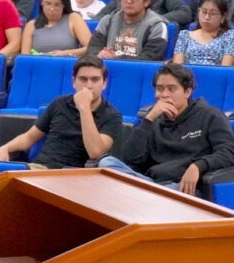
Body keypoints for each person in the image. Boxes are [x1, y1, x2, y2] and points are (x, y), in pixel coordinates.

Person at [99, 64, 234, 196]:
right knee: (106, 163)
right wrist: (149, 119)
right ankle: (145, 195)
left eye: (171, 89)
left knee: (165, 192)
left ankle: (142, 196)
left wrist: (198, 166)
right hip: (152, 183)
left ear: (188, 91)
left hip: (182, 186)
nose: (164, 94)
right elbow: (130, 158)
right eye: (159, 89)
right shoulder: (153, 119)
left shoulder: (210, 115)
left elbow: (228, 151)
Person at [0, 55, 121, 168]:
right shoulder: (60, 103)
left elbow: (95, 151)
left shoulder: (111, 115)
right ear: (74, 82)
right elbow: (29, 137)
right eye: (83, 79)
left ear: (104, 83)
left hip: (71, 177)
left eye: (95, 79)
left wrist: (84, 108)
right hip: (38, 168)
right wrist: (5, 148)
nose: (88, 85)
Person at [86, 0, 168, 60]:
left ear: (146, 2)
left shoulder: (156, 26)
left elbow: (150, 58)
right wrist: (100, 54)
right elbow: (92, 49)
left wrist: (117, 57)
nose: (129, 1)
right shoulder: (107, 21)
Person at [21, 0, 91, 56]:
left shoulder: (74, 19)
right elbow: (25, 58)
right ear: (42, 2)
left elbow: (91, 47)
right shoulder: (31, 26)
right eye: (48, 4)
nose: (52, 9)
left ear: (64, 5)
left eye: (57, 5)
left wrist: (65, 53)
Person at [173, 0, 234, 66]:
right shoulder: (184, 35)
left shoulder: (229, 36)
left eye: (213, 14)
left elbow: (225, 69)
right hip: (186, 75)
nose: (207, 17)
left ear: (223, 17)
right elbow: (177, 68)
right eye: (204, 12)